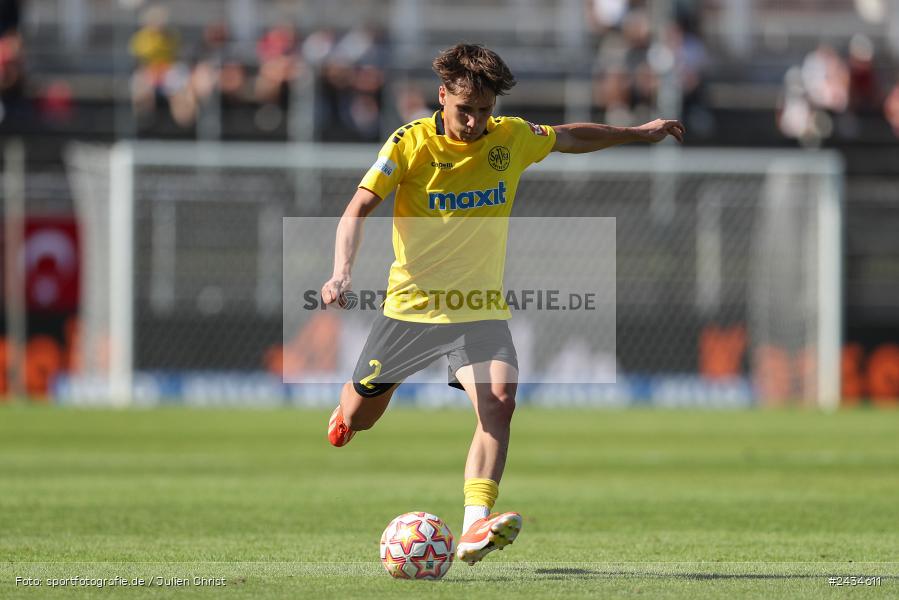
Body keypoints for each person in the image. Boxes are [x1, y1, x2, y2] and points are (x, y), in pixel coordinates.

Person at [322, 43, 683, 566]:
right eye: (463, 109)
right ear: (442, 96)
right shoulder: (409, 143)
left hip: (479, 308)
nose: (472, 121)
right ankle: (347, 409)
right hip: (410, 310)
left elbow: (570, 136)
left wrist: (638, 132)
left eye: (483, 111)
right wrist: (342, 272)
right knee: (360, 417)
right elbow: (358, 207)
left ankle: (473, 526)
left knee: (499, 403)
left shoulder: (509, 137)